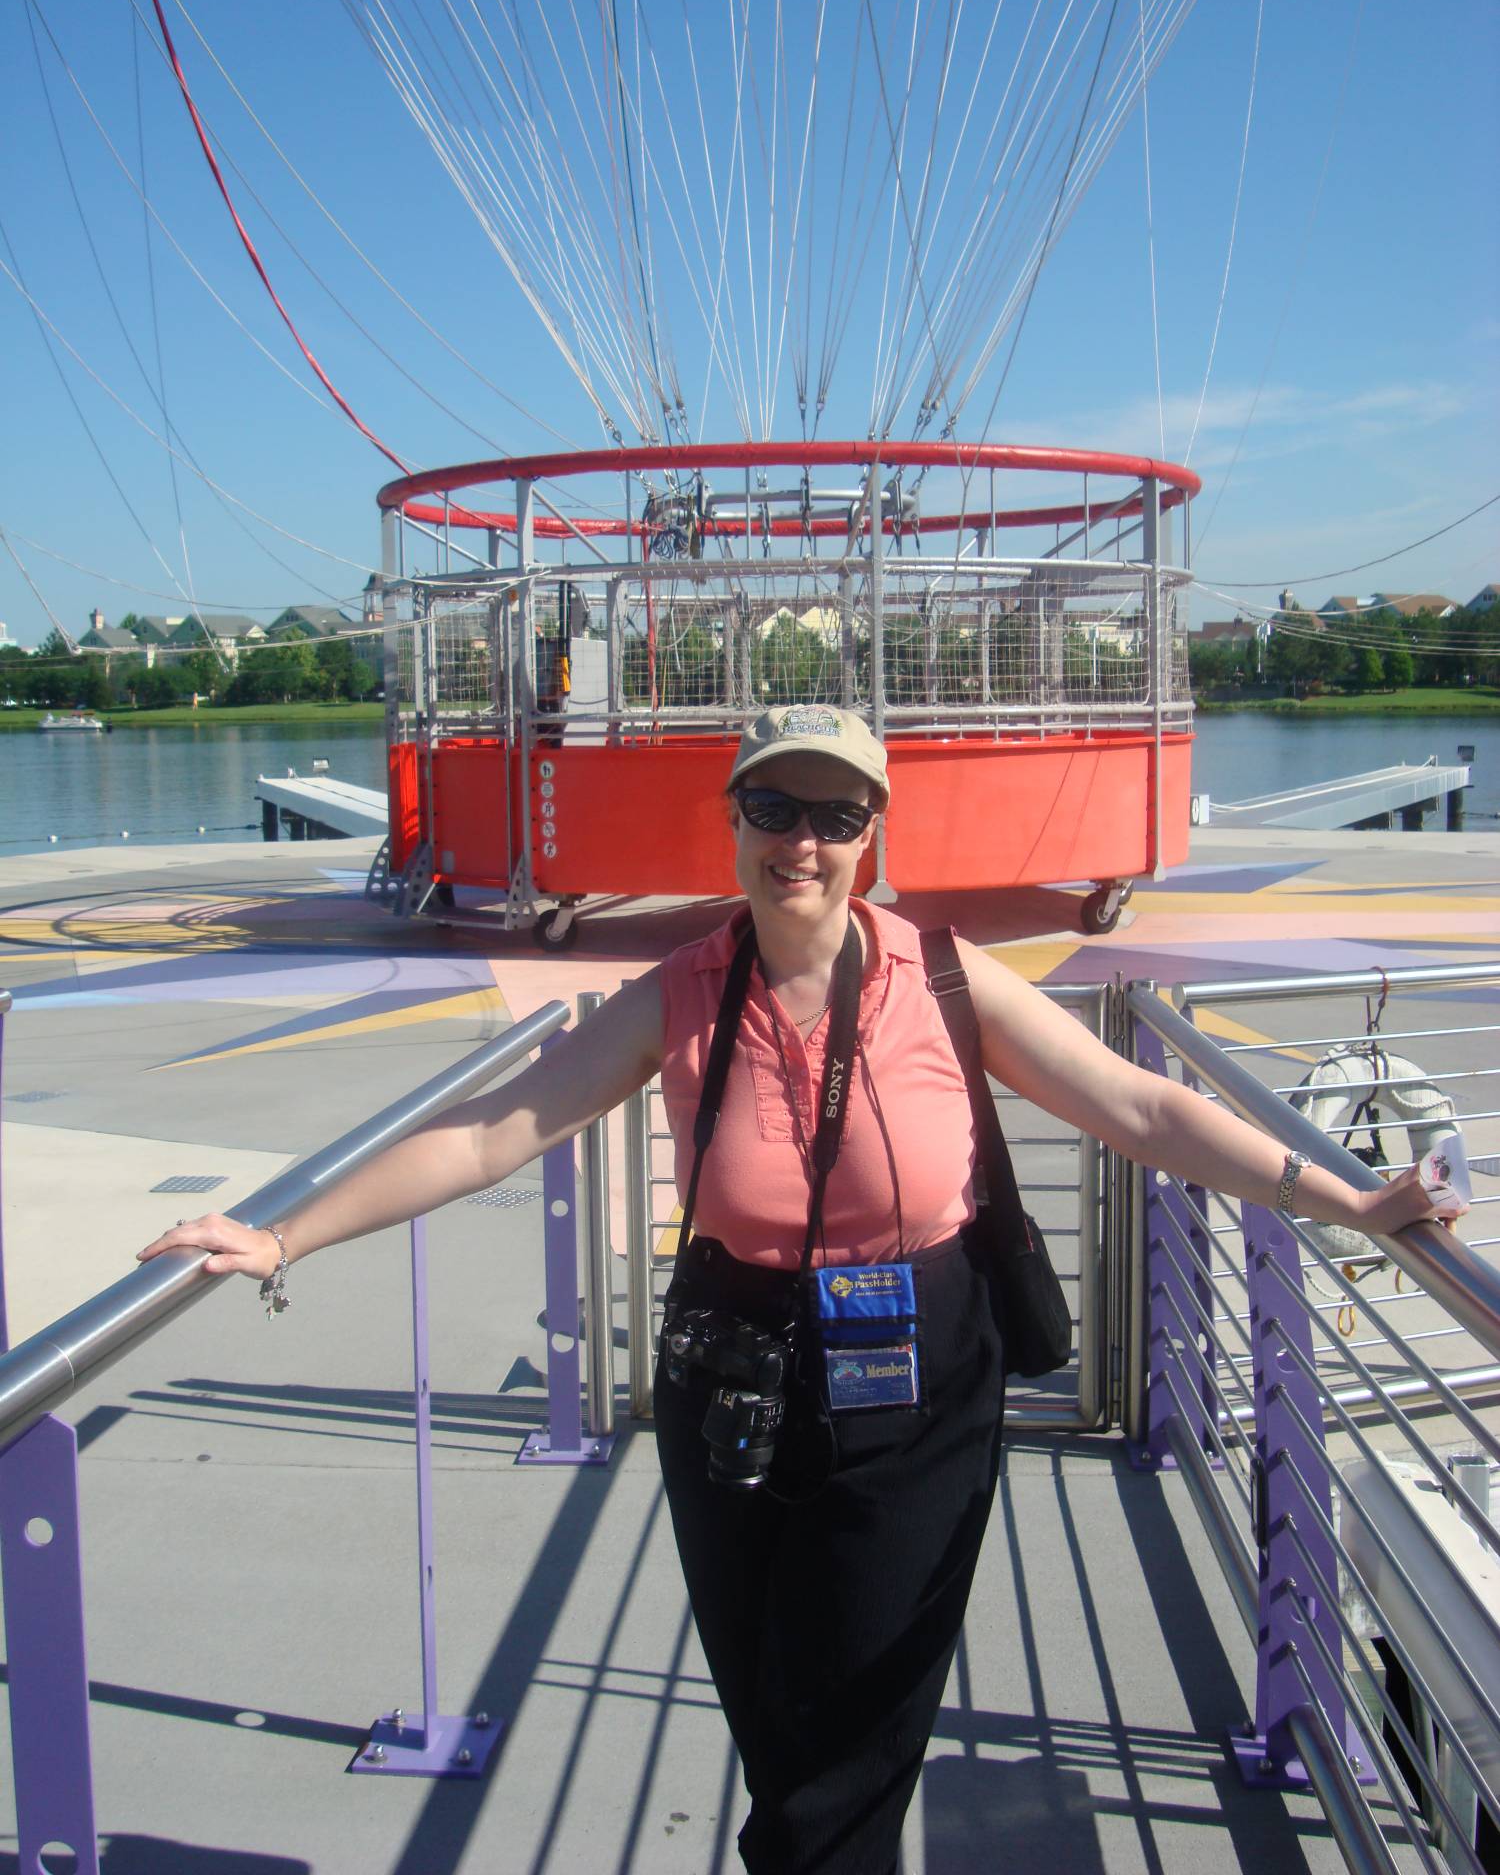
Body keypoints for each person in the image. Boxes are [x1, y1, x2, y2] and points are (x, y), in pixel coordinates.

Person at [140, 704, 1460, 1874]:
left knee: (853, 1731)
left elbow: (1139, 1105)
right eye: (775, 808)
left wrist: (1344, 1196)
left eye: (837, 815)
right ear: (734, 825)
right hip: (735, 1372)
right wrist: (285, 1235)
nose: (804, 842)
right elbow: (497, 1131)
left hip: (921, 1378)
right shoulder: (683, 993)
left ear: (874, 834)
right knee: (776, 1709)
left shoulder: (943, 981)